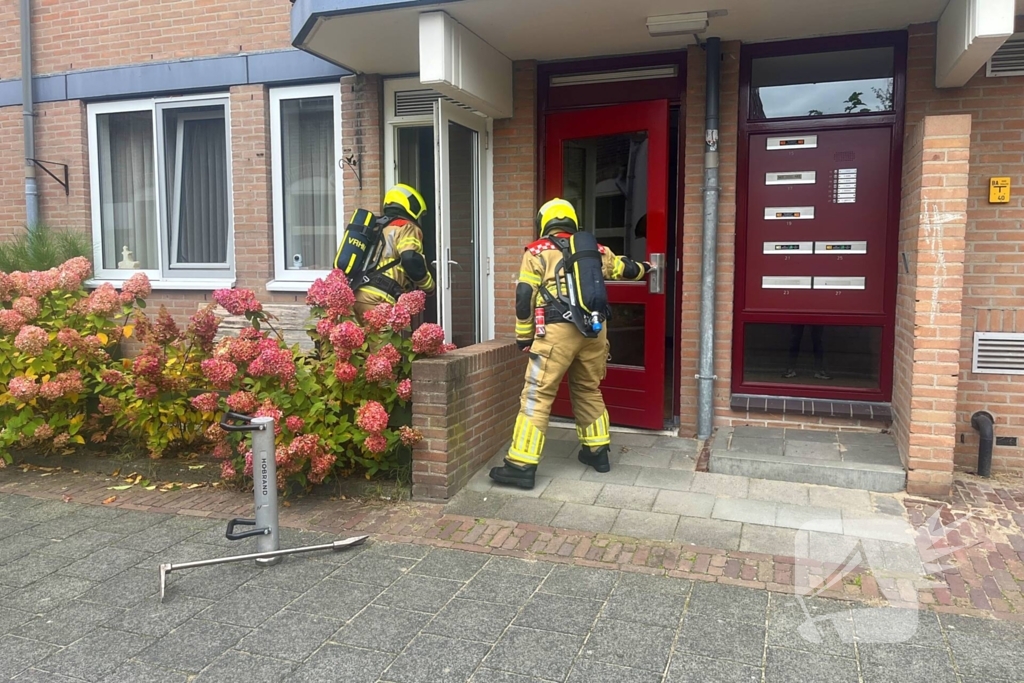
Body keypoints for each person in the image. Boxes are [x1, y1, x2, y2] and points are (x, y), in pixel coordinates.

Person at [489, 198, 652, 490]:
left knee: (537, 396)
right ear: (572, 222)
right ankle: (597, 452)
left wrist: (523, 336)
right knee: (588, 388)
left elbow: (524, 297)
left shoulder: (536, 251)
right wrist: (648, 267)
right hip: (594, 331)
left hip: (556, 332)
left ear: (544, 222)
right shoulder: (595, 250)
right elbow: (626, 269)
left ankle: (521, 465)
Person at [351, 184, 435, 318]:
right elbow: (410, 259)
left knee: (359, 338)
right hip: (378, 297)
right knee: (382, 339)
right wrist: (429, 286)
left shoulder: (376, 226)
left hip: (356, 293)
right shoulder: (406, 226)